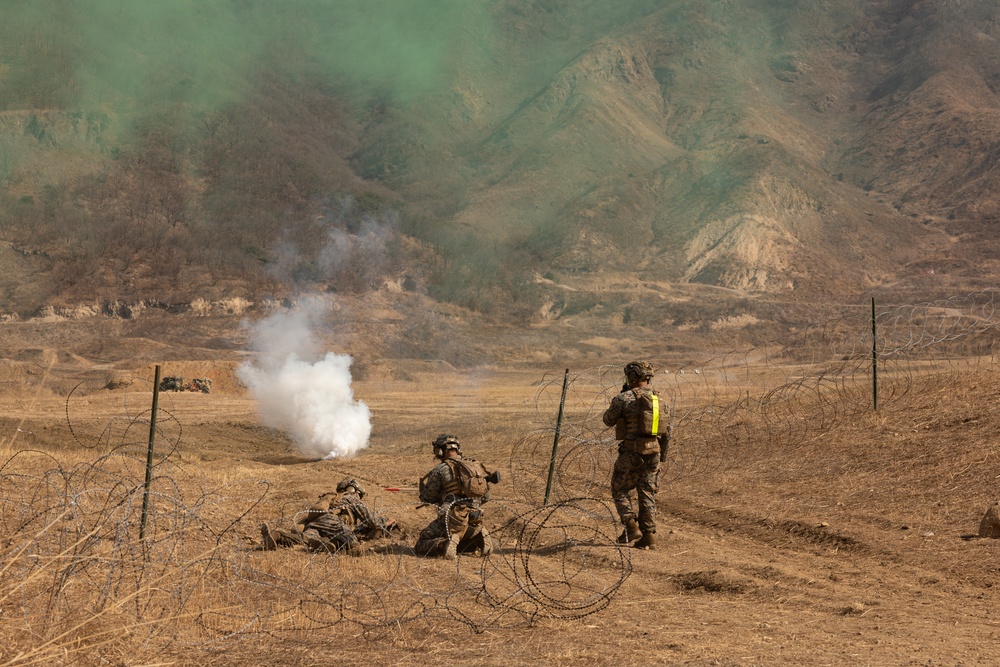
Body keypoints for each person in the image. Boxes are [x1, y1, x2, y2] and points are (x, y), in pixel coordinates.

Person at [602, 360, 671, 550]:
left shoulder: (623, 399)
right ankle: (649, 536)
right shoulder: (661, 400)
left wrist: (621, 397)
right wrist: (662, 456)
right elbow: (667, 432)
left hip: (631, 452)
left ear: (632, 377)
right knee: (647, 493)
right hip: (653, 452)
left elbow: (608, 420)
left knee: (619, 488)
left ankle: (631, 526)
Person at [414, 434, 499, 560]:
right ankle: (479, 538)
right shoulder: (475, 467)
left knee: (422, 540)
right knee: (464, 538)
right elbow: (485, 497)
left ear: (440, 450)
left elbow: (428, 498)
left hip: (453, 519)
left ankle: (446, 544)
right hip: (475, 519)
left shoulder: (441, 469)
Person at [260, 478, 394, 553]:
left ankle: (278, 536)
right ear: (354, 490)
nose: (360, 498)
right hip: (331, 521)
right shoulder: (351, 498)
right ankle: (330, 543)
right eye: (360, 494)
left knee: (305, 539)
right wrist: (384, 523)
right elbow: (371, 519)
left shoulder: (331, 498)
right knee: (351, 541)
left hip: (313, 522)